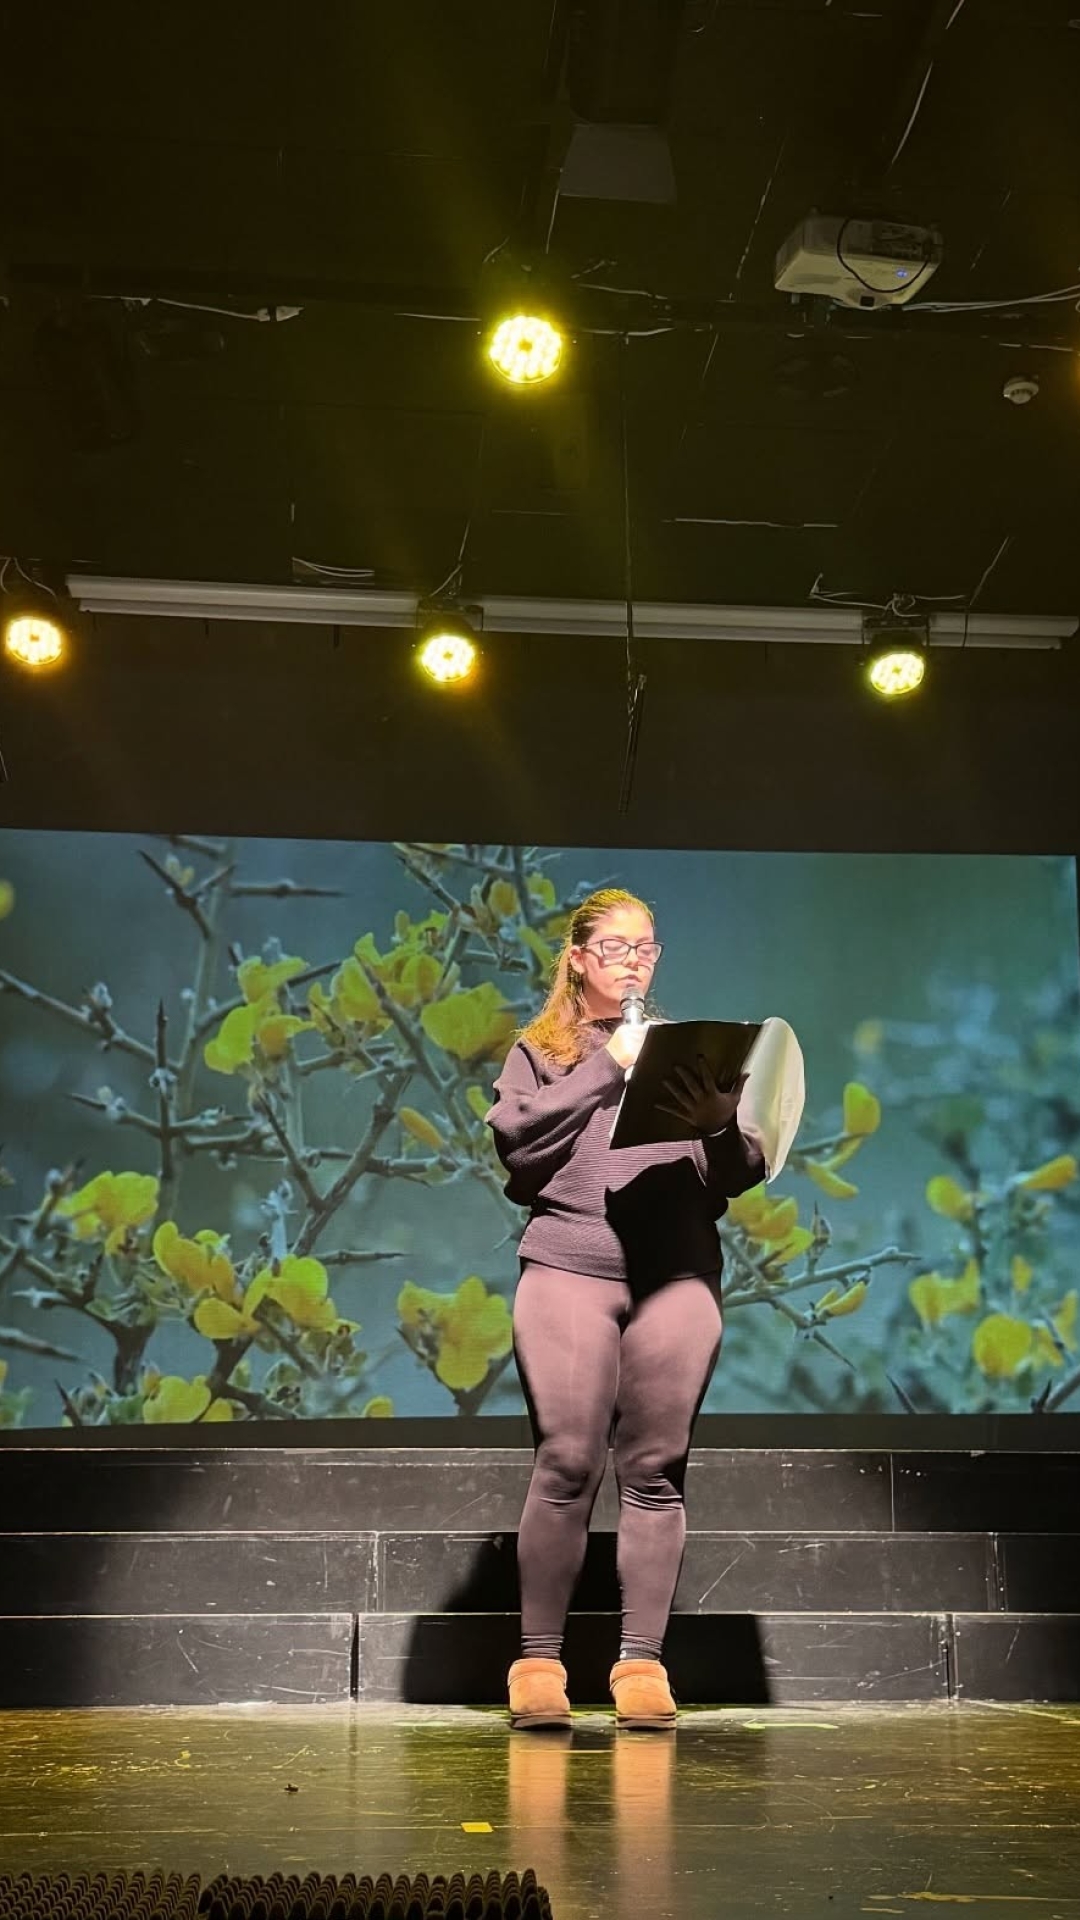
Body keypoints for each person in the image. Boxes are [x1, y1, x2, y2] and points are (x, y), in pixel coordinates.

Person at [485, 886, 766, 1732]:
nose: (633, 962)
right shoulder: (541, 1052)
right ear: (577, 958)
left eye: (646, 947)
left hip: (675, 1275)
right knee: (568, 1461)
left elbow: (736, 1173)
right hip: (571, 1268)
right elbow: (518, 1150)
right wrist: (610, 1065)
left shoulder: (685, 1052)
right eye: (614, 947)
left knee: (655, 1469)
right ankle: (539, 1660)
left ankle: (641, 1661)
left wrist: (718, 1123)